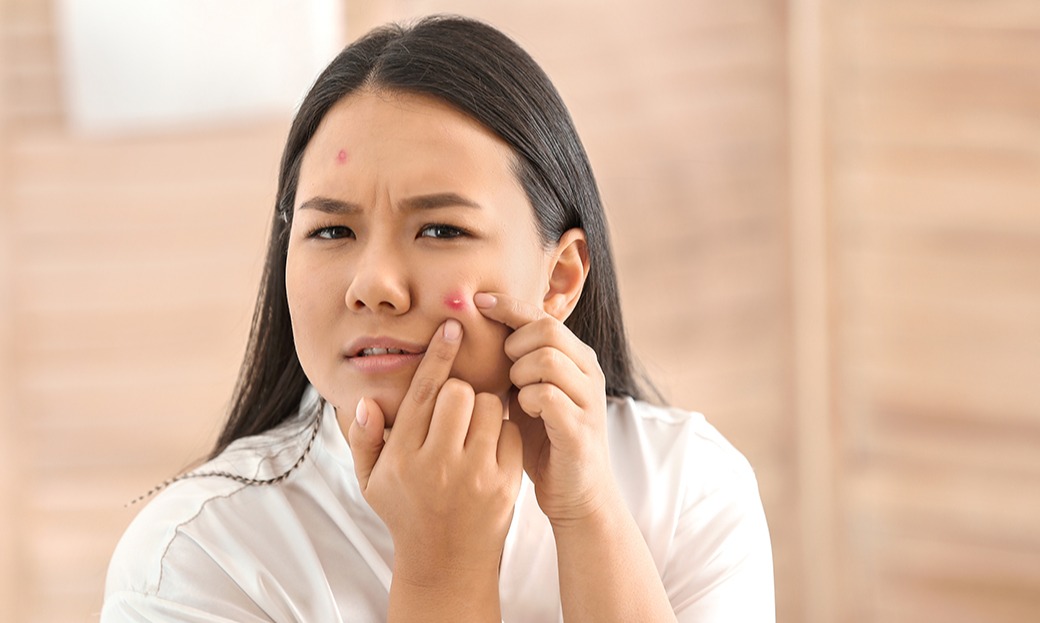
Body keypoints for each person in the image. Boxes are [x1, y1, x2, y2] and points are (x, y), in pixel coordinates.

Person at [102, 15, 774, 622]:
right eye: (332, 233)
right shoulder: (195, 556)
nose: (373, 286)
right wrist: (442, 568)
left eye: (441, 229)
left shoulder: (689, 487)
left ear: (561, 276)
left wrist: (589, 512)